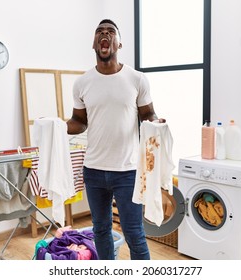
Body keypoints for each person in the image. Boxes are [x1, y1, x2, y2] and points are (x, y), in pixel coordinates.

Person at [66, 19, 165, 260]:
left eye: (111, 32)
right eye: (100, 31)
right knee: (100, 230)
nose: (105, 35)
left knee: (134, 233)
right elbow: (79, 121)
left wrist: (155, 121)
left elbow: (147, 114)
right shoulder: (82, 83)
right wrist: (58, 126)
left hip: (128, 171)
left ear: (119, 43)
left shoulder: (137, 79)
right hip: (93, 170)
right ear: (94, 44)